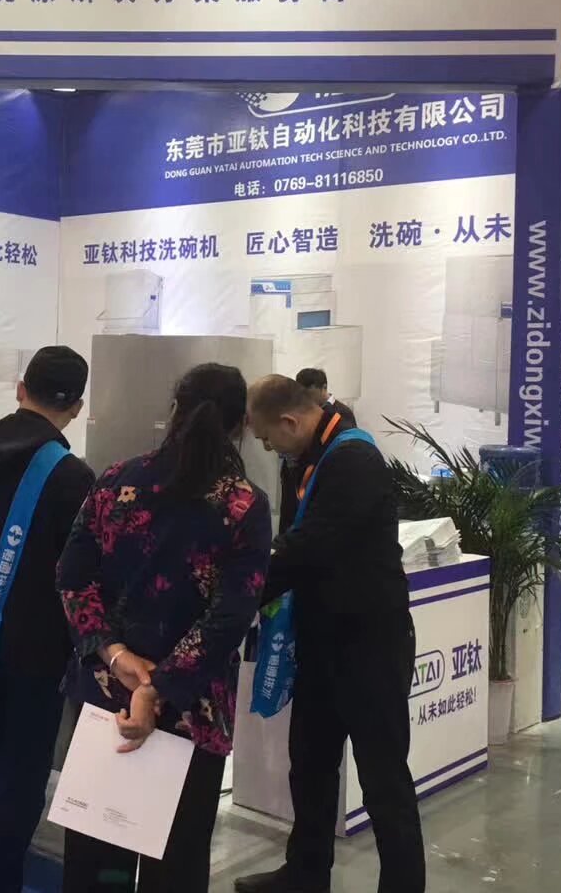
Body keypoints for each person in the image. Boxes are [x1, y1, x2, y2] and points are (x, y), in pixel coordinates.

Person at [57, 363, 273, 893]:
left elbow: (72, 578)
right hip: (191, 708)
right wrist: (159, 688)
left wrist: (114, 654)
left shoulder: (115, 480)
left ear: (174, 410)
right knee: (175, 862)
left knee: (96, 859)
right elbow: (230, 615)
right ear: (241, 424)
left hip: (106, 695)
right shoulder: (244, 505)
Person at [237, 375, 423, 893]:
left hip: (370, 644)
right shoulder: (307, 458)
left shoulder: (352, 460)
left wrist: (238, 590)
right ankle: (305, 873)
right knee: (311, 765)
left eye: (269, 438)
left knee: (383, 777)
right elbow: (294, 540)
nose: (269, 449)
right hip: (322, 640)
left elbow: (308, 547)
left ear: (290, 420)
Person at [0, 345, 95, 893]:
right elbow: (80, 571)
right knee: (22, 770)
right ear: (76, 407)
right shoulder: (72, 476)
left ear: (20, 389)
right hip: (39, 647)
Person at [280, 369, 356, 539]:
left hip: (320, 473)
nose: (307, 399)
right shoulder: (300, 410)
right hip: (296, 470)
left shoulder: (341, 413)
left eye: (310, 394)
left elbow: (344, 449)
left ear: (324, 388)